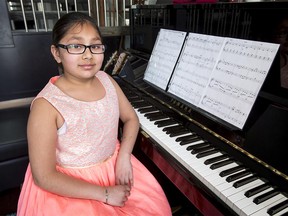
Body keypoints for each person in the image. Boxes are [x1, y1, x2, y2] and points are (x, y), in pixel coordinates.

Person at [17, 12, 172, 216]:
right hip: (70, 187)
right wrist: (106, 194)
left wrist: (124, 155)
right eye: (76, 46)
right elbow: (44, 176)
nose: (88, 54)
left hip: (113, 165)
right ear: (56, 53)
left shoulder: (107, 80)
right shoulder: (46, 106)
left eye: (95, 46)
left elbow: (131, 118)